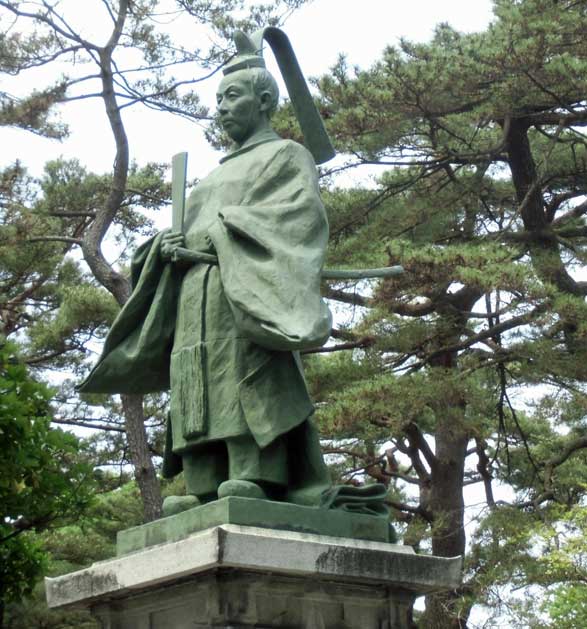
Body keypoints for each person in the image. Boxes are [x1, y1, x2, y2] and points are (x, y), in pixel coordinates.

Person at [80, 31, 385, 519]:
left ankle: (256, 473)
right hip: (193, 295)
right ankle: (202, 480)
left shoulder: (286, 156)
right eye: (218, 99)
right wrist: (165, 247)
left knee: (244, 377)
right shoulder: (209, 178)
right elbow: (177, 233)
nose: (220, 108)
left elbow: (295, 218)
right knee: (195, 380)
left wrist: (220, 235)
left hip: (242, 290)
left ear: (264, 101)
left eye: (232, 97)